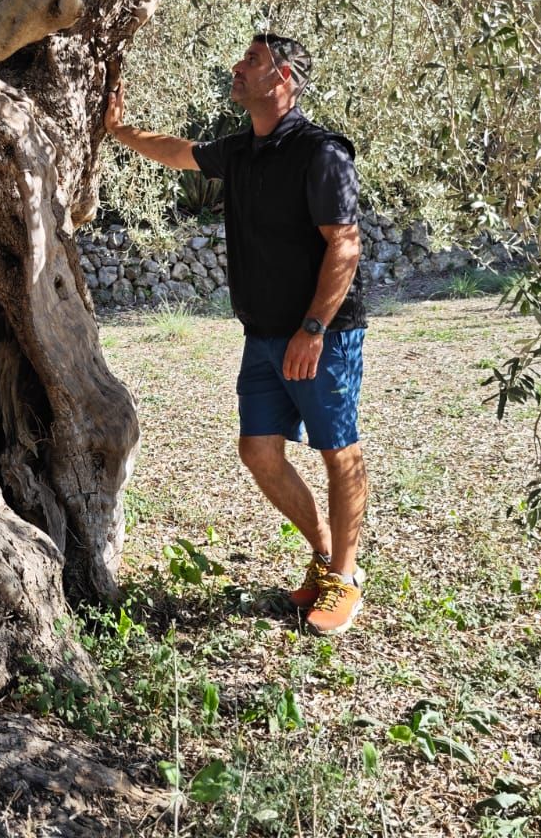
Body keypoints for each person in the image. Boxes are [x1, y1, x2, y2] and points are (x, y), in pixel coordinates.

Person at [103, 34, 369, 634]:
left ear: (284, 77)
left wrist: (313, 328)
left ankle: (346, 577)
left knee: (338, 448)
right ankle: (326, 553)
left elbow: (345, 245)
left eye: (251, 59)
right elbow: (179, 152)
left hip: (321, 336)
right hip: (264, 334)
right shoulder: (244, 151)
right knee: (259, 452)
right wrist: (120, 132)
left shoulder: (322, 153)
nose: (238, 67)